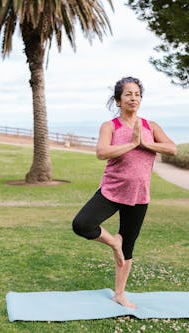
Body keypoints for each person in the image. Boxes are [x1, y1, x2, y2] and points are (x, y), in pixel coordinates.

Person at [72, 76, 177, 308]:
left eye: (137, 94)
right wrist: (131, 143)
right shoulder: (110, 126)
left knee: (128, 246)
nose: (133, 98)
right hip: (111, 191)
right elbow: (101, 152)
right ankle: (113, 242)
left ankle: (120, 293)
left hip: (139, 195)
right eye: (128, 94)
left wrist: (145, 143)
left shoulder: (151, 126)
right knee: (82, 224)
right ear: (118, 100)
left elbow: (172, 149)